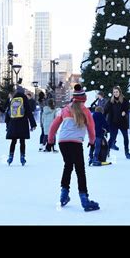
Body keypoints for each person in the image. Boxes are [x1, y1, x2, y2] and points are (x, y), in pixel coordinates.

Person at [48, 84, 100, 212]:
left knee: (68, 166)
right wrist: (92, 142)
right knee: (80, 170)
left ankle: (63, 195)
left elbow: (54, 125)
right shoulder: (86, 111)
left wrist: (50, 140)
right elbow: (91, 129)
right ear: (84, 98)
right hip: (75, 142)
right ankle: (84, 199)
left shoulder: (65, 109)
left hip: (62, 142)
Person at [6, 85, 37, 166]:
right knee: (22, 142)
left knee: (13, 141)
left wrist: (7, 124)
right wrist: (33, 124)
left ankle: (10, 156)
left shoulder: (13, 100)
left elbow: (8, 113)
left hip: (13, 123)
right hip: (23, 123)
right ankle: (22, 157)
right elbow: (29, 113)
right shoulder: (24, 99)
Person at [104, 86, 130, 159]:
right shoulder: (110, 101)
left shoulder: (124, 100)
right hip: (113, 123)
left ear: (119, 92)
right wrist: (102, 119)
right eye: (114, 92)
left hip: (122, 122)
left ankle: (127, 152)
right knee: (112, 137)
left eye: (117, 92)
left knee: (126, 137)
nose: (115, 93)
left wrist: (124, 112)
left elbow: (127, 109)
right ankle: (107, 151)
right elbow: (105, 111)